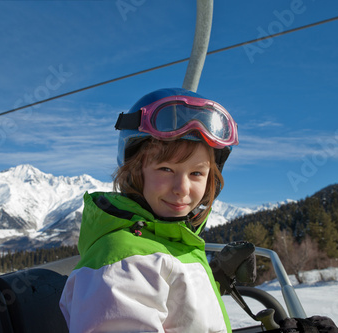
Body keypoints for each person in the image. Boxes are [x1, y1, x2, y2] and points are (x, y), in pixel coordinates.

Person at [59, 87, 238, 332]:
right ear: (134, 171)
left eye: (197, 173)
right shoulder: (124, 264)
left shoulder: (173, 243)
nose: (182, 189)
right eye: (166, 169)